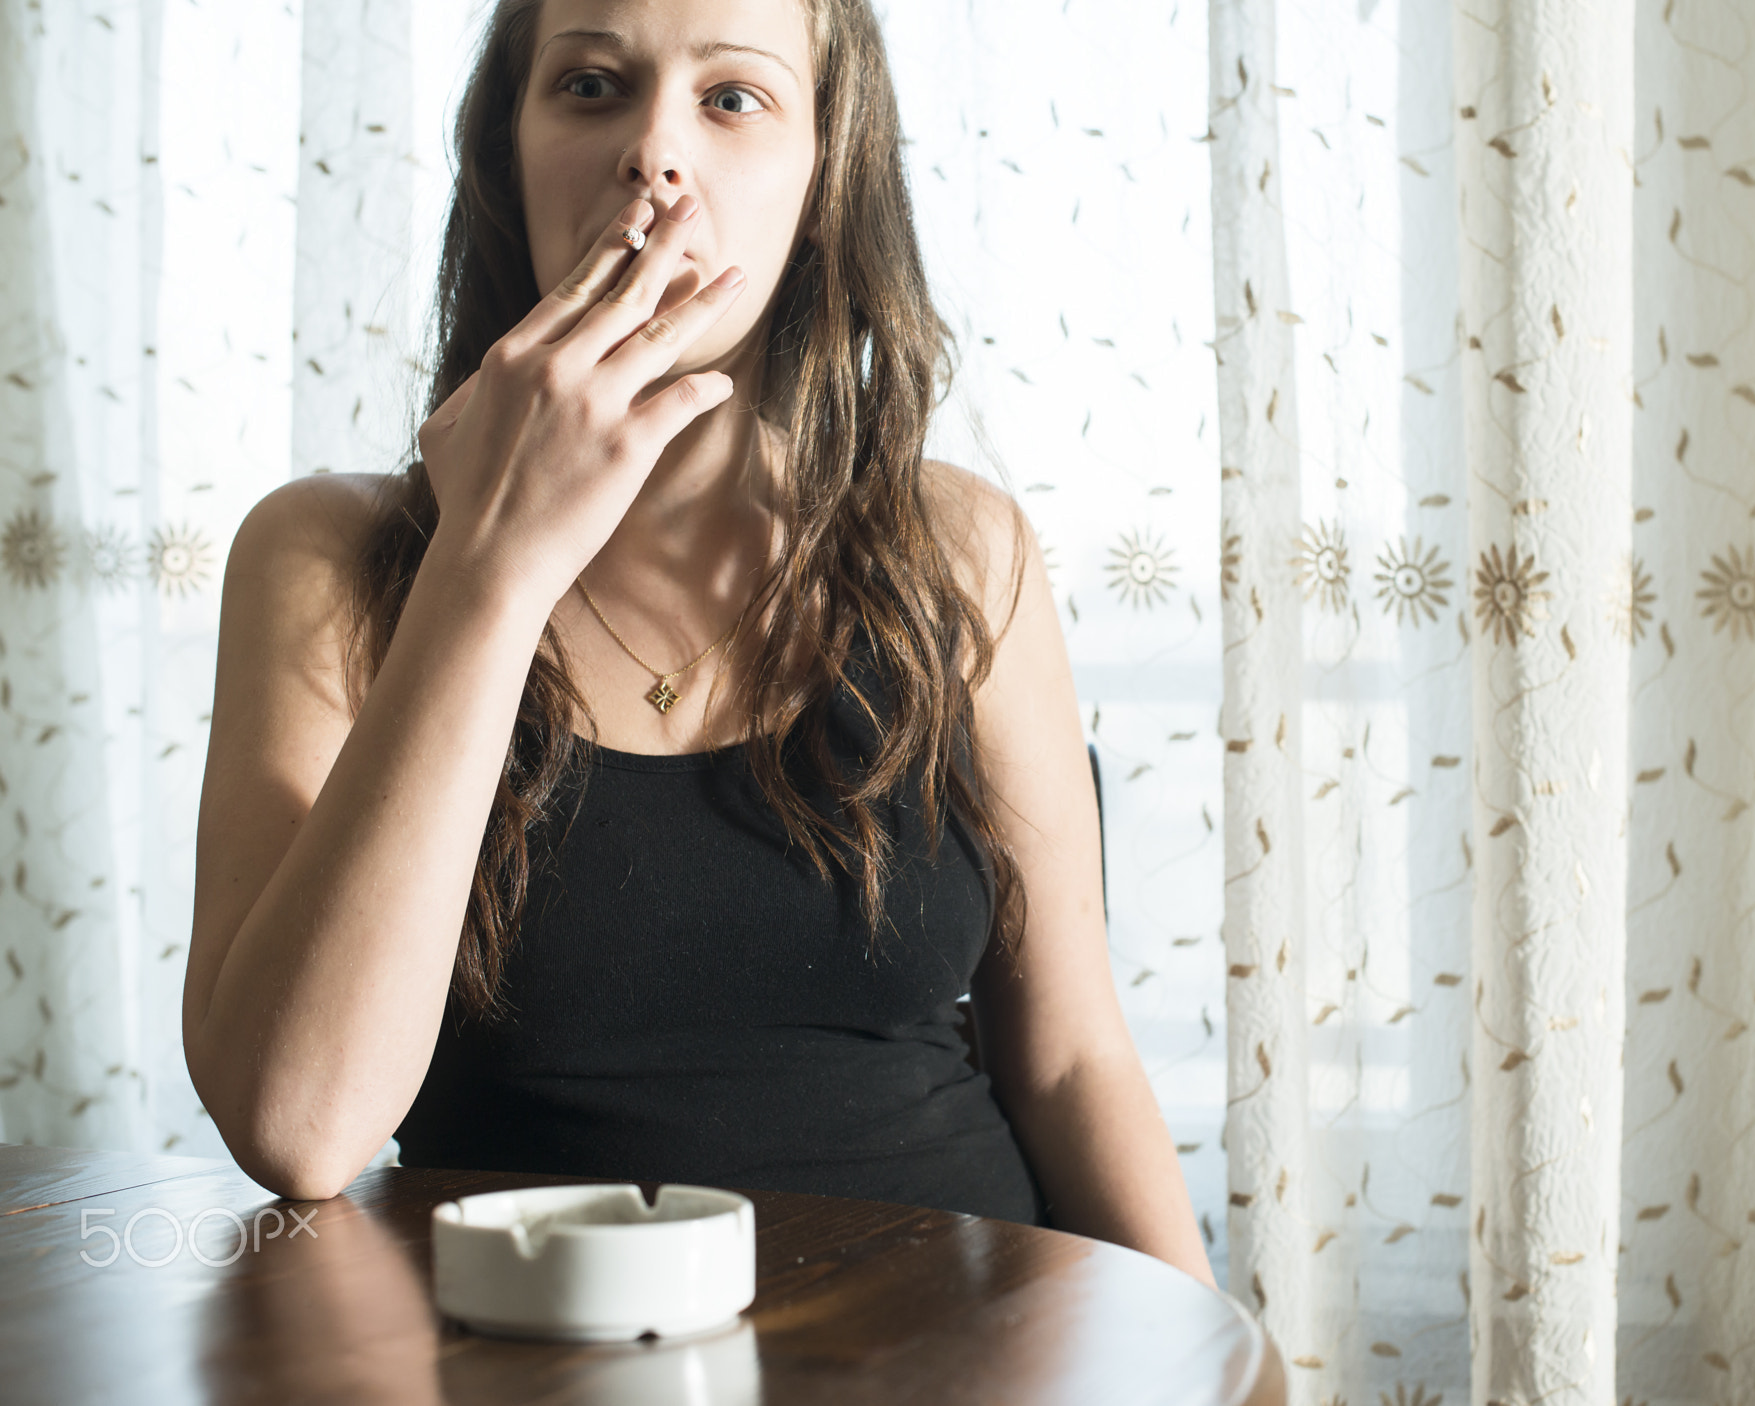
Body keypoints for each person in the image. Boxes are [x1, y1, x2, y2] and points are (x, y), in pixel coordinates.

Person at [181, 0, 1214, 1287]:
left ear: (823, 174)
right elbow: (297, 1124)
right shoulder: (327, 558)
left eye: (732, 99)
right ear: (505, 151)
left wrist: (1239, 1364)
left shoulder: (960, 548)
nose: (654, 155)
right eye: (592, 85)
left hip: (963, 1345)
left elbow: (1069, 1060)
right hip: (530, 1359)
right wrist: (487, 570)